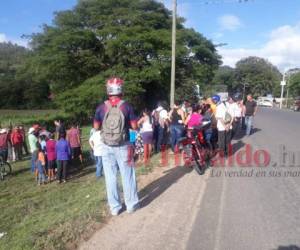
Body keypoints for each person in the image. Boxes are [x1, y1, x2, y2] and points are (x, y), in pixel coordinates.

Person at [94, 77, 139, 215]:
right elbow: (134, 126)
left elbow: (96, 127)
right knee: (128, 175)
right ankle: (131, 205)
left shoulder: (101, 107)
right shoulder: (127, 106)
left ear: (108, 90)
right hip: (124, 145)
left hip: (106, 146)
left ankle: (115, 208)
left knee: (110, 177)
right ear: (121, 90)